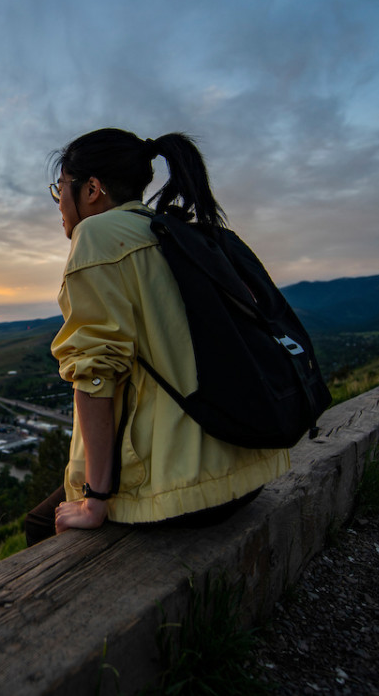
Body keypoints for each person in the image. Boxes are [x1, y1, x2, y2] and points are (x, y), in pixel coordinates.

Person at [25, 128, 290, 546]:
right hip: (244, 469)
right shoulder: (169, 231)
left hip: (180, 490)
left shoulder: (97, 236)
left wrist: (95, 499)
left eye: (60, 189)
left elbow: (94, 376)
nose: (58, 203)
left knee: (40, 526)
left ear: (91, 189)